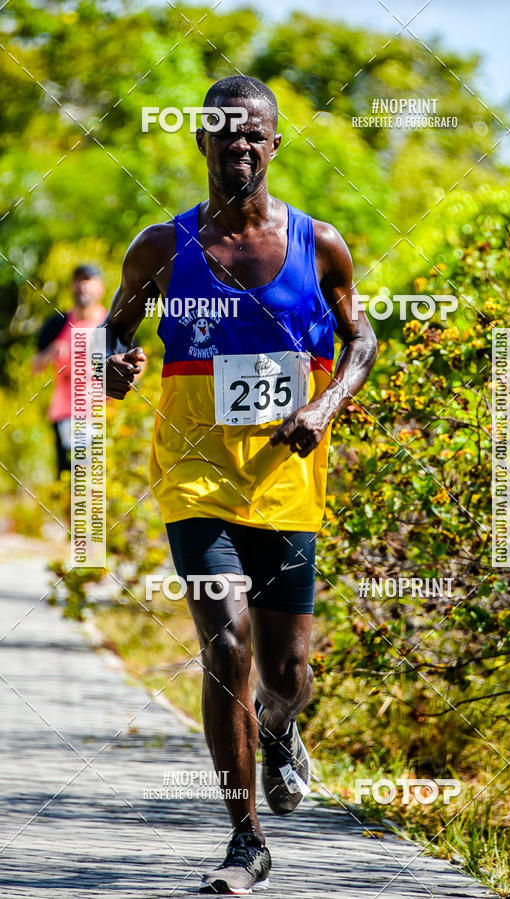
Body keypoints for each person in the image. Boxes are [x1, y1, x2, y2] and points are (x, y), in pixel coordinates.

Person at [102, 75, 377, 894]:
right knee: (225, 644)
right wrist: (114, 361)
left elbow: (361, 340)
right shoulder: (162, 247)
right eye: (224, 134)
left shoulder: (319, 243)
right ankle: (244, 840)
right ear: (202, 144)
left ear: (275, 143)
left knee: (286, 671)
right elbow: (114, 330)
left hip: (287, 481)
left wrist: (325, 406)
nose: (240, 146)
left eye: (254, 133)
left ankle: (281, 724)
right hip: (195, 480)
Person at [32, 264, 106, 478]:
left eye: (88, 280)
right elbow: (35, 366)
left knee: (102, 481)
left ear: (100, 287)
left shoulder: (113, 322)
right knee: (71, 480)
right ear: (71, 286)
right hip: (67, 415)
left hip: (105, 416)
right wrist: (50, 354)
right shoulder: (57, 323)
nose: (82, 286)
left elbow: (138, 362)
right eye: (77, 280)